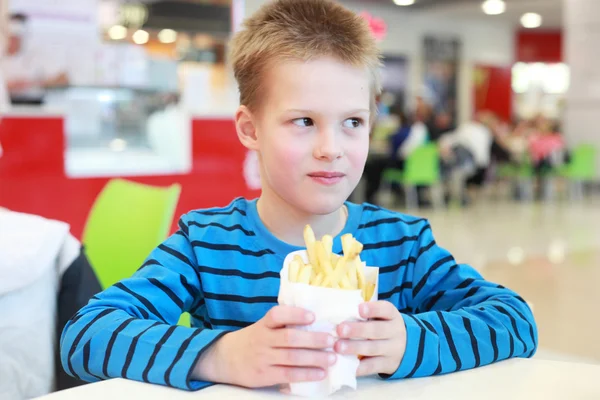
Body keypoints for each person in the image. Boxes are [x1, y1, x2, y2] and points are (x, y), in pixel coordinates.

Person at [61, 0, 537, 392]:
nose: (331, 150)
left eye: (352, 122)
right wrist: (218, 355)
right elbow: (85, 335)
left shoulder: (404, 243)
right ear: (250, 129)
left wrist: (410, 341)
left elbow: (516, 321)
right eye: (304, 121)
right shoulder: (206, 244)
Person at [0, 13, 69, 105]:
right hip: (6, 108)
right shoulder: (3, 56)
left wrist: (33, 84)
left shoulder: (37, 55)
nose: (14, 40)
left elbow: (64, 79)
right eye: (12, 36)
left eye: (17, 36)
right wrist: (6, 86)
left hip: (34, 108)